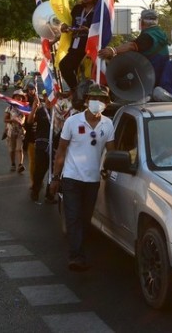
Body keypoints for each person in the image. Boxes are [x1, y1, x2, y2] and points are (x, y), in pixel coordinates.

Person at [50, 85, 115, 271]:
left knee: (85, 219)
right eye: (94, 98)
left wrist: (109, 169)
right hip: (71, 178)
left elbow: (111, 152)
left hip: (93, 181)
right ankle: (76, 256)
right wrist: (56, 178)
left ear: (106, 104)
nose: (97, 102)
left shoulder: (108, 124)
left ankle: (78, 249)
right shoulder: (72, 121)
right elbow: (61, 151)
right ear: (87, 100)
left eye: (102, 99)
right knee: (73, 217)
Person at [98, 9, 169, 86]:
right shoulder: (160, 33)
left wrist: (113, 50)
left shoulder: (148, 36)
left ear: (142, 21)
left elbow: (132, 46)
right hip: (162, 75)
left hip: (149, 77)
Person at [59, 0, 100, 92]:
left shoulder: (99, 11)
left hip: (90, 48)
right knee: (64, 66)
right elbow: (69, 23)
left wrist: (88, 30)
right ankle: (76, 91)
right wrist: (64, 26)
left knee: (85, 75)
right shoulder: (77, 8)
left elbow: (102, 30)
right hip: (75, 47)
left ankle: (81, 94)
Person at [30, 95, 58, 203]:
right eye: (47, 97)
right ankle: (35, 191)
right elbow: (30, 121)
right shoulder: (41, 110)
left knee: (53, 171)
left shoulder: (58, 112)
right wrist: (33, 108)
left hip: (54, 146)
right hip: (42, 145)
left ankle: (49, 195)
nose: (50, 99)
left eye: (52, 97)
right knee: (40, 171)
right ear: (44, 98)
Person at [4, 89, 27, 173]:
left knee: (19, 148)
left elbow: (26, 118)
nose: (19, 98)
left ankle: (20, 164)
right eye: (17, 96)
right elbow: (5, 120)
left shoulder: (24, 108)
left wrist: (22, 122)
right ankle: (13, 164)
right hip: (11, 131)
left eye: (20, 97)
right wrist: (12, 120)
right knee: (12, 149)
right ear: (13, 98)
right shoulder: (9, 108)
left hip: (20, 131)